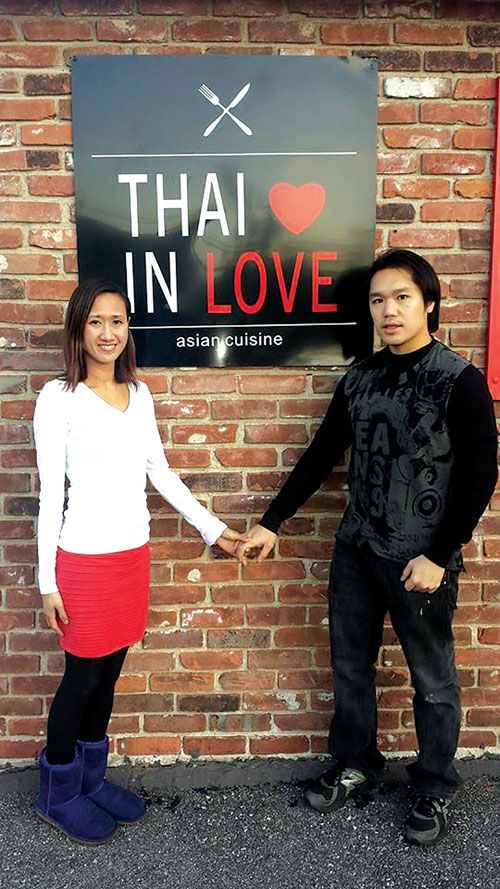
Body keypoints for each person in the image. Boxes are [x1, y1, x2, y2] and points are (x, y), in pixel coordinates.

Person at [238, 249, 498, 846]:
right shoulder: (359, 379)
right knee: (351, 667)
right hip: (356, 549)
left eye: (402, 297)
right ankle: (357, 764)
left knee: (432, 679)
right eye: (378, 300)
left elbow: (480, 474)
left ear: (429, 303)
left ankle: (434, 787)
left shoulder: (459, 380)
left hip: (420, 559)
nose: (389, 311)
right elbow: (322, 454)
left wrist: (440, 555)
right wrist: (273, 520)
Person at [33, 279, 244, 845]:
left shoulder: (139, 393)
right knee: (81, 678)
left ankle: (91, 780)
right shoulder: (58, 398)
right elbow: (51, 494)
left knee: (110, 675)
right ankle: (57, 792)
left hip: (131, 557)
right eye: (96, 321)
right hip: (83, 561)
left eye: (118, 321)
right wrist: (47, 581)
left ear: (128, 329)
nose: (108, 332)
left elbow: (160, 472)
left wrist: (214, 529)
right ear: (78, 328)